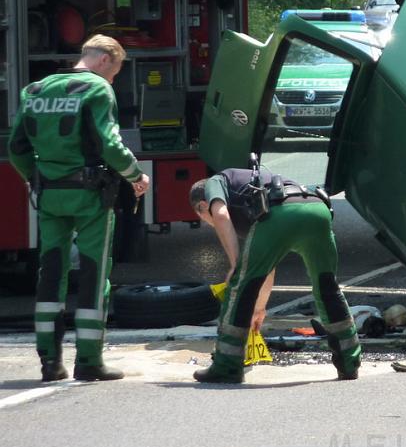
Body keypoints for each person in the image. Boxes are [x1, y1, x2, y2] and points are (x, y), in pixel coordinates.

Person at [7, 35, 150, 382]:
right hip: (90, 197)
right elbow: (109, 144)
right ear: (104, 60)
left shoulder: (35, 91)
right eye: (114, 72)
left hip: (50, 195)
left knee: (50, 273)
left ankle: (49, 363)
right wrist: (135, 175)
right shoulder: (98, 90)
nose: (113, 79)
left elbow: (16, 148)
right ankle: (89, 361)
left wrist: (35, 178)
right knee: (93, 272)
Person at [189, 168, 361, 383]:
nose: (209, 221)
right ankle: (349, 363)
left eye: (204, 217)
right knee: (327, 287)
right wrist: (260, 308)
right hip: (317, 208)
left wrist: (235, 264)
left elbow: (221, 215)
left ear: (203, 206)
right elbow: (266, 268)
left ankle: (227, 367)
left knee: (238, 287)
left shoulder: (216, 181)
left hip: (282, 211)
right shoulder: (251, 194)